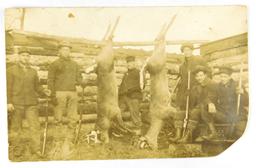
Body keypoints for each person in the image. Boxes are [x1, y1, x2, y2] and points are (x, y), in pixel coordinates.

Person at [7, 47, 51, 155]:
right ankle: (17, 149)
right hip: (16, 103)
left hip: (31, 103)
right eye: (23, 55)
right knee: (16, 128)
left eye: (27, 56)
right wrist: (8, 102)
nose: (25, 58)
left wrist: (44, 91)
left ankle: (36, 149)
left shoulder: (33, 71)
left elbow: (37, 86)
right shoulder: (10, 70)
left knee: (35, 127)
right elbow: (7, 87)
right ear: (18, 57)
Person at [170, 43, 208, 142]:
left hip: (197, 91)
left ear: (192, 50)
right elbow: (182, 79)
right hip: (185, 92)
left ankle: (189, 136)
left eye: (189, 50)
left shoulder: (199, 60)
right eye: (185, 50)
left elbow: (208, 73)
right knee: (182, 112)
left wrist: (202, 85)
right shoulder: (182, 65)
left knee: (194, 112)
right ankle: (179, 135)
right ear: (183, 52)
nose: (187, 52)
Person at [177, 65, 218, 143]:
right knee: (180, 113)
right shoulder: (196, 86)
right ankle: (178, 135)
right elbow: (192, 101)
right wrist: (188, 94)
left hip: (209, 108)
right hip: (198, 107)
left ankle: (187, 137)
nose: (199, 78)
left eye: (201, 75)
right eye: (197, 76)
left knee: (194, 112)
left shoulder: (212, 84)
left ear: (205, 75)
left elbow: (212, 98)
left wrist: (203, 104)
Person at [48, 41, 82, 127]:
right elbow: (50, 80)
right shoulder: (54, 64)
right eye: (64, 50)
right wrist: (52, 94)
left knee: (73, 114)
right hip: (59, 92)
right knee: (58, 113)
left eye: (68, 50)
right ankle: (58, 132)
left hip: (72, 92)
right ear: (59, 51)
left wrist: (81, 83)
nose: (66, 52)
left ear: (70, 52)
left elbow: (79, 77)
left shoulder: (75, 64)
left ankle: (72, 130)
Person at [214, 66, 248, 138]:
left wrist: (242, 93)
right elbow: (213, 98)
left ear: (229, 77)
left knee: (239, 128)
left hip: (236, 111)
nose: (223, 79)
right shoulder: (218, 87)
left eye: (225, 77)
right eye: (221, 76)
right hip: (223, 112)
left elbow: (247, 102)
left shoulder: (237, 85)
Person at [118, 56, 143, 134]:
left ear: (134, 63)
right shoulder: (126, 74)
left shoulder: (138, 73)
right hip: (124, 97)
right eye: (128, 63)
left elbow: (141, 85)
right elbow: (122, 85)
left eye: (131, 63)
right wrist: (119, 94)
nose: (129, 64)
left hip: (134, 97)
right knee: (117, 112)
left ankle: (138, 131)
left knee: (134, 114)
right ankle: (121, 128)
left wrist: (130, 90)